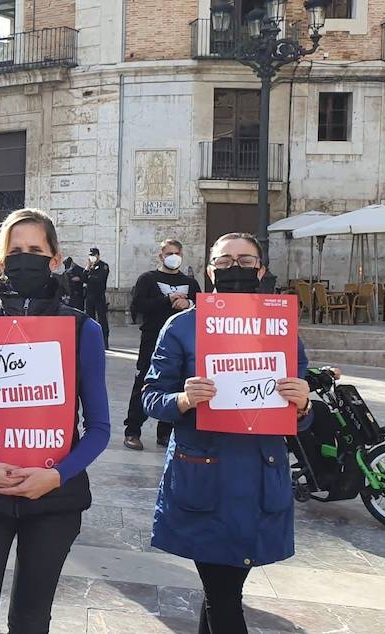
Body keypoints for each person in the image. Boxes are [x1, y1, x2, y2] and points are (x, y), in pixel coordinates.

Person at [0, 209, 111, 634]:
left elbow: (100, 427)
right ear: (1, 261)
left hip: (53, 497)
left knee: (31, 621)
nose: (25, 258)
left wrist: (57, 476)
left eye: (35, 249)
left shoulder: (82, 329)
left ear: (55, 259)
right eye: (16, 250)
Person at [142, 232, 312, 634]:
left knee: (221, 591)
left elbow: (299, 420)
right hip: (205, 477)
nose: (235, 268)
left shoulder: (281, 327)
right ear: (209, 270)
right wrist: (184, 399)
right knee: (223, 593)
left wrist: (303, 402)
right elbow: (151, 397)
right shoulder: (182, 326)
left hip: (259, 478)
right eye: (224, 261)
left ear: (262, 270)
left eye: (246, 261)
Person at [124, 239, 200, 450]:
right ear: (161, 256)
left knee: (175, 384)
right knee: (143, 382)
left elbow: (203, 307)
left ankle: (165, 433)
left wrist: (189, 303)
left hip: (182, 343)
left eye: (177, 253)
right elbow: (138, 305)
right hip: (152, 339)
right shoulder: (148, 279)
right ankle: (132, 430)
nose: (173, 256)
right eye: (169, 253)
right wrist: (167, 300)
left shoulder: (191, 283)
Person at [85, 247, 111, 349]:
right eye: (90, 255)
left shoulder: (103, 266)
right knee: (89, 319)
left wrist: (89, 277)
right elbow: (83, 278)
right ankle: (91, 340)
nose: (92, 257)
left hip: (99, 296)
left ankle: (105, 341)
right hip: (89, 296)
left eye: (94, 255)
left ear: (98, 256)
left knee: (102, 319)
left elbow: (99, 279)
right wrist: (87, 267)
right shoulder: (90, 267)